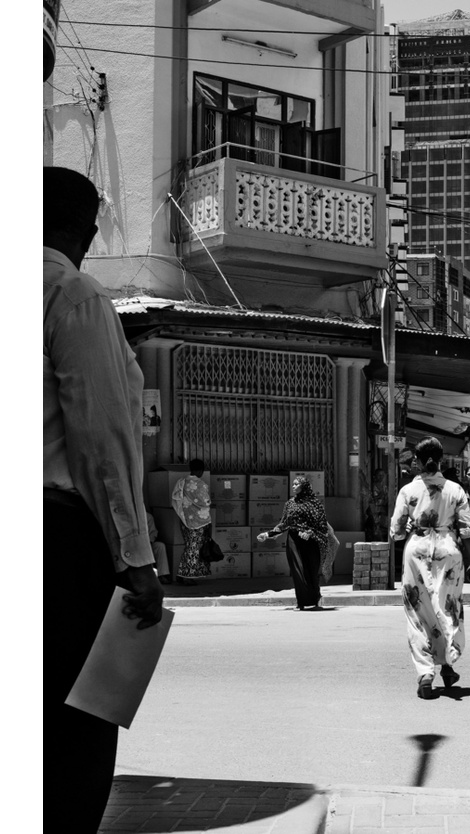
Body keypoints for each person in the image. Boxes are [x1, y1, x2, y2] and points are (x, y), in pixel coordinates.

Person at [44, 165, 165, 833]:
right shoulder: (71, 293)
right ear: (86, 233)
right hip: (56, 545)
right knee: (76, 728)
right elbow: (101, 439)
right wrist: (134, 560)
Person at [391, 437, 470, 699]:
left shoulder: (408, 491)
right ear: (441, 460)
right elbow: (467, 531)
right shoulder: (456, 490)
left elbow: (396, 533)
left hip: (416, 552)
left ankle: (426, 673)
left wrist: (410, 527)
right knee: (446, 608)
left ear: (417, 461)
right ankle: (448, 664)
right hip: (448, 554)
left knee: (419, 614)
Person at [257, 474, 328, 610]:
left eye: (297, 484)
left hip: (310, 542)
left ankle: (315, 598)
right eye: (293, 484)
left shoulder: (315, 504)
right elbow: (284, 524)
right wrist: (268, 534)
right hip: (294, 541)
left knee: (312, 570)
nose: (294, 486)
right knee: (298, 571)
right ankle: (301, 601)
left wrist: (309, 533)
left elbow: (322, 525)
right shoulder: (290, 503)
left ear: (304, 486)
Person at [171, 458, 213, 585]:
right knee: (193, 549)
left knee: (189, 546)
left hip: (184, 519)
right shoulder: (201, 485)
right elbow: (206, 502)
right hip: (198, 521)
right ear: (201, 470)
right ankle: (188, 576)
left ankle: (181, 573)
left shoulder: (181, 482)